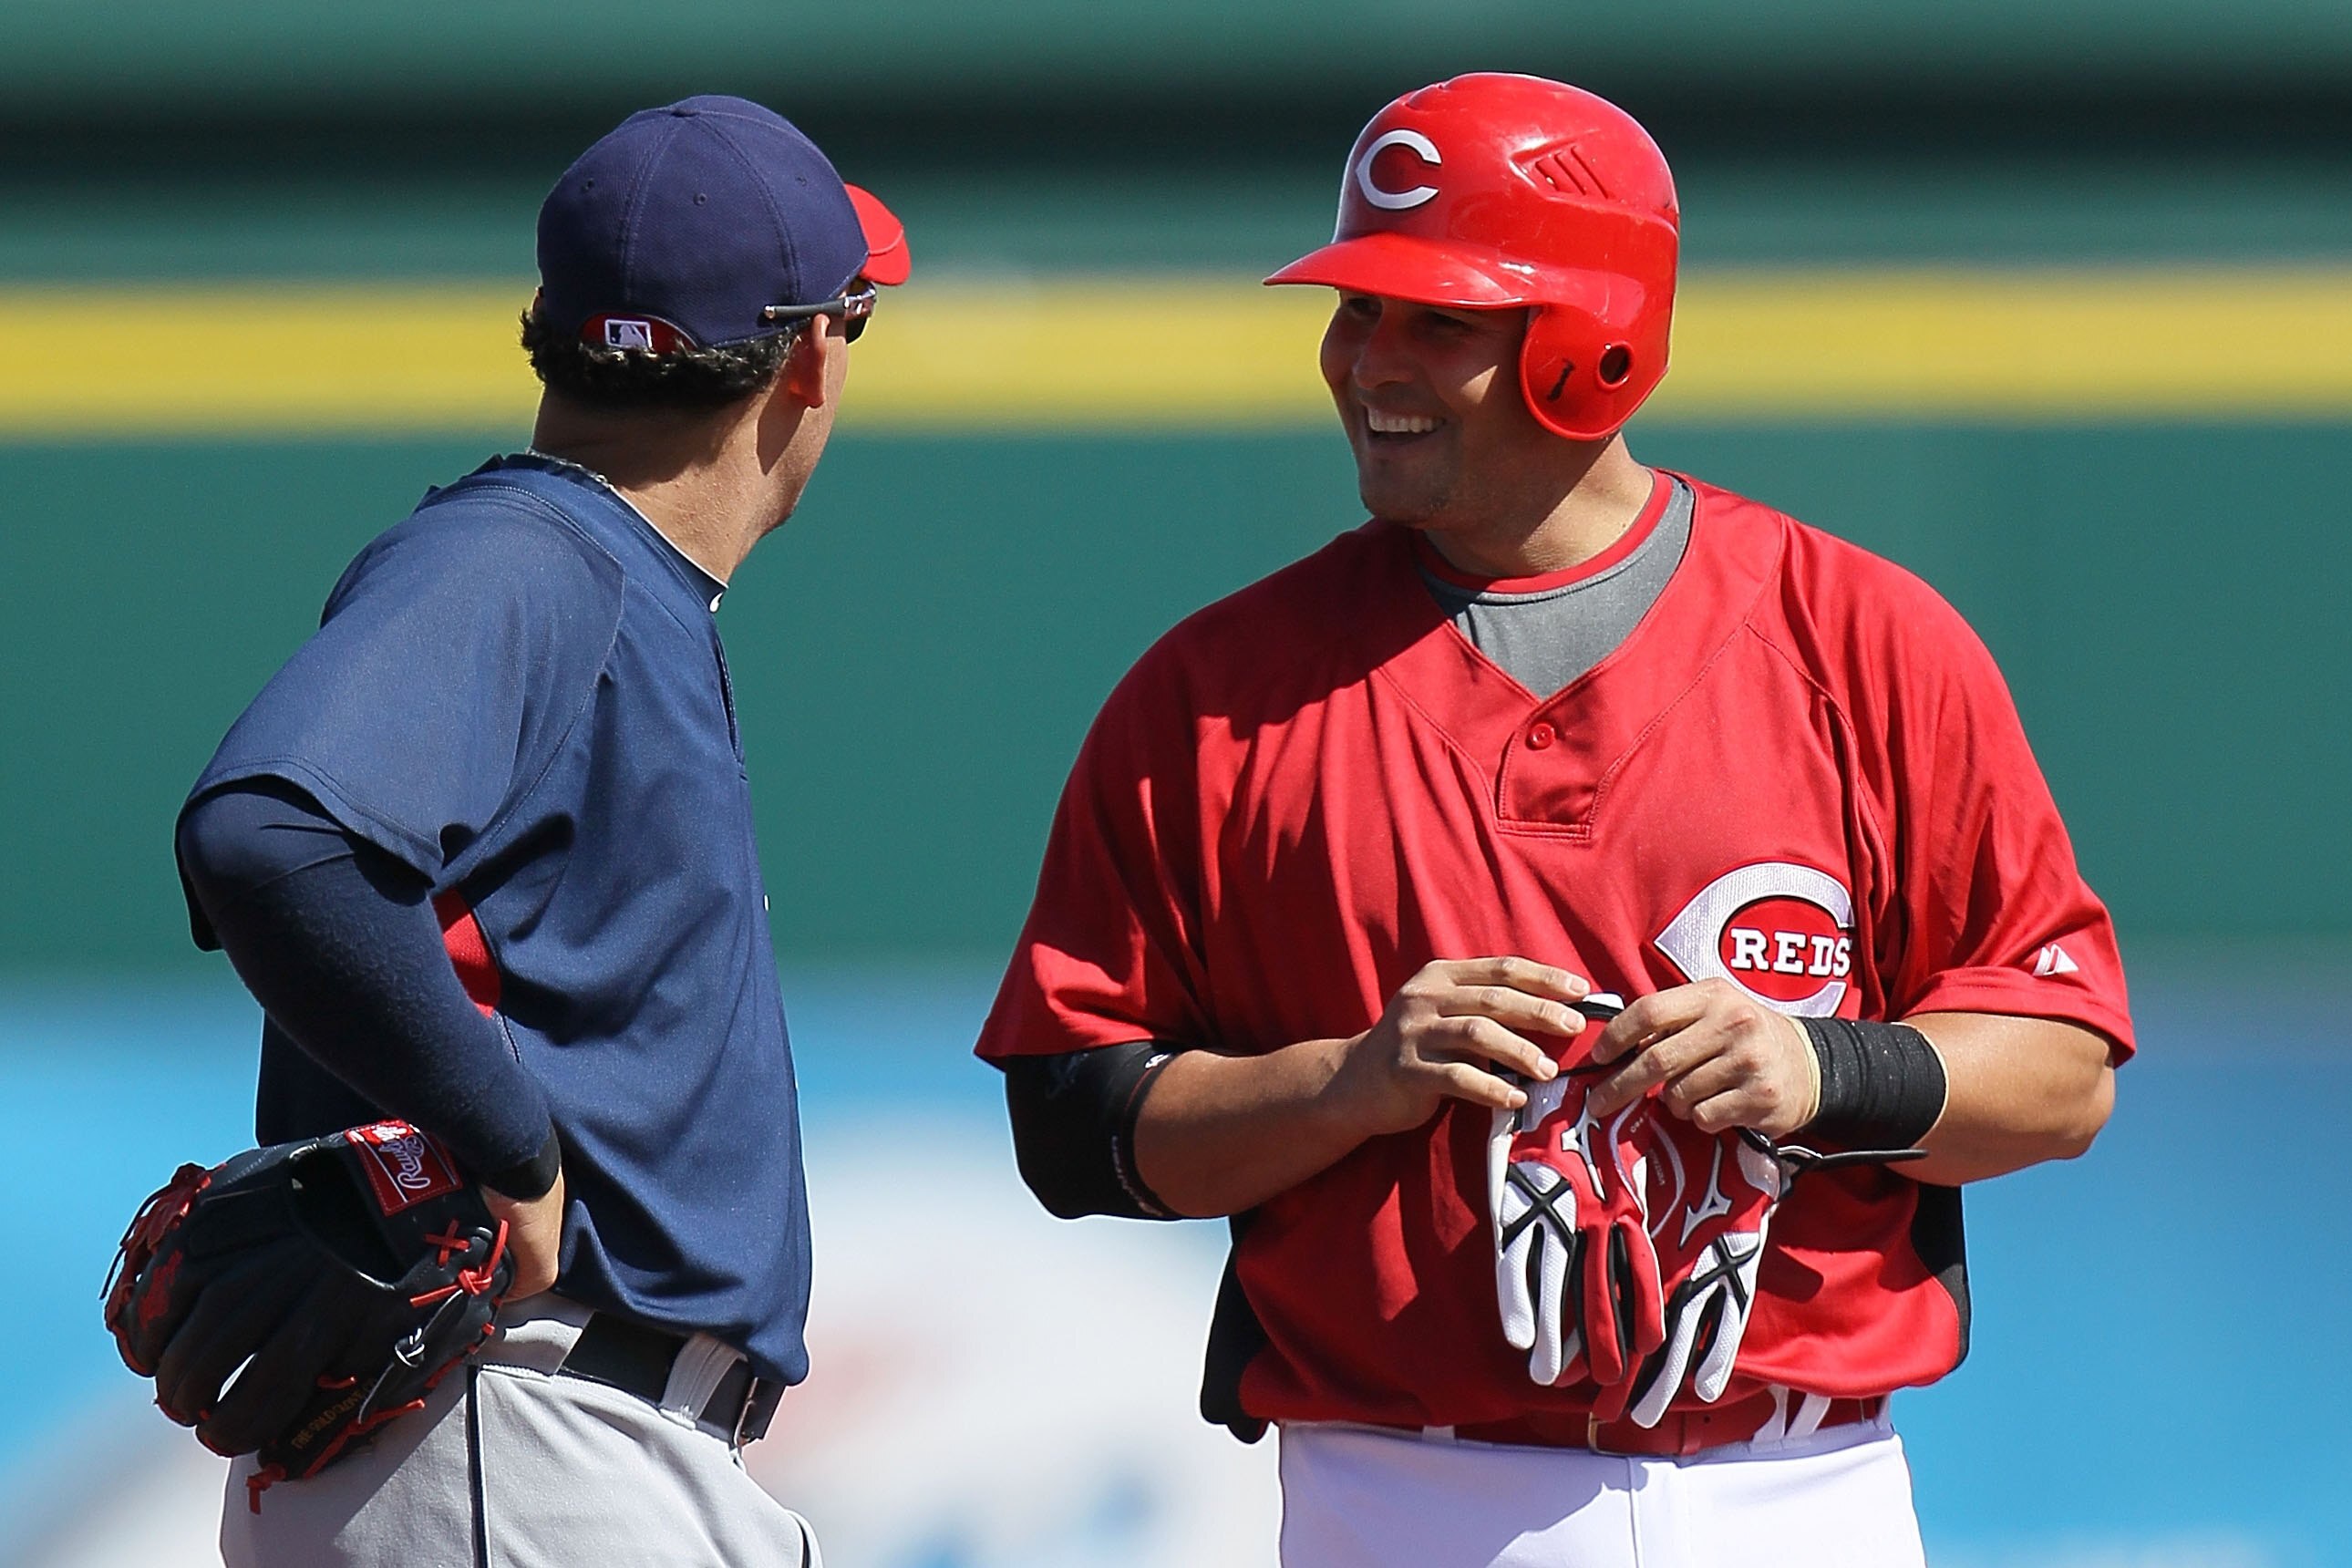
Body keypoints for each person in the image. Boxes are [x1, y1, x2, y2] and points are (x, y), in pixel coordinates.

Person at [975, 72, 2130, 1567]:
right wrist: (1346, 1083)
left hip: (1800, 1489)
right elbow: (1079, 1131)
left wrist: (1821, 1063)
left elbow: (2064, 1073)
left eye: (1435, 321)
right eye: (1356, 310)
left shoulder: (1863, 640)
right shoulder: (1214, 696)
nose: (1366, 361)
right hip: (1399, 1492)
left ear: (1595, 347)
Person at [171, 94, 908, 1567]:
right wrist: (506, 1141)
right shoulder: (530, 555)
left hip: (553, 1442)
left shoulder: (586, 568)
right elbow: (269, 837)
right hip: (515, 1428)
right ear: (813, 358)